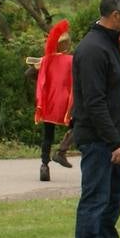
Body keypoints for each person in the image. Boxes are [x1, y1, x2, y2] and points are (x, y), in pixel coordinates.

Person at [73, 0, 120, 238]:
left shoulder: (110, 44)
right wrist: (114, 141)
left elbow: (116, 96)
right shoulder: (92, 49)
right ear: (115, 16)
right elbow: (94, 102)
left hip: (113, 136)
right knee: (95, 197)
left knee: (113, 196)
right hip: (98, 138)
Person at [34, 20, 74, 182]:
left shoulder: (45, 60)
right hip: (64, 101)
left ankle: (44, 165)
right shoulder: (71, 60)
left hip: (49, 101)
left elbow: (29, 74)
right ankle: (62, 150)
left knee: (47, 135)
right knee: (79, 125)